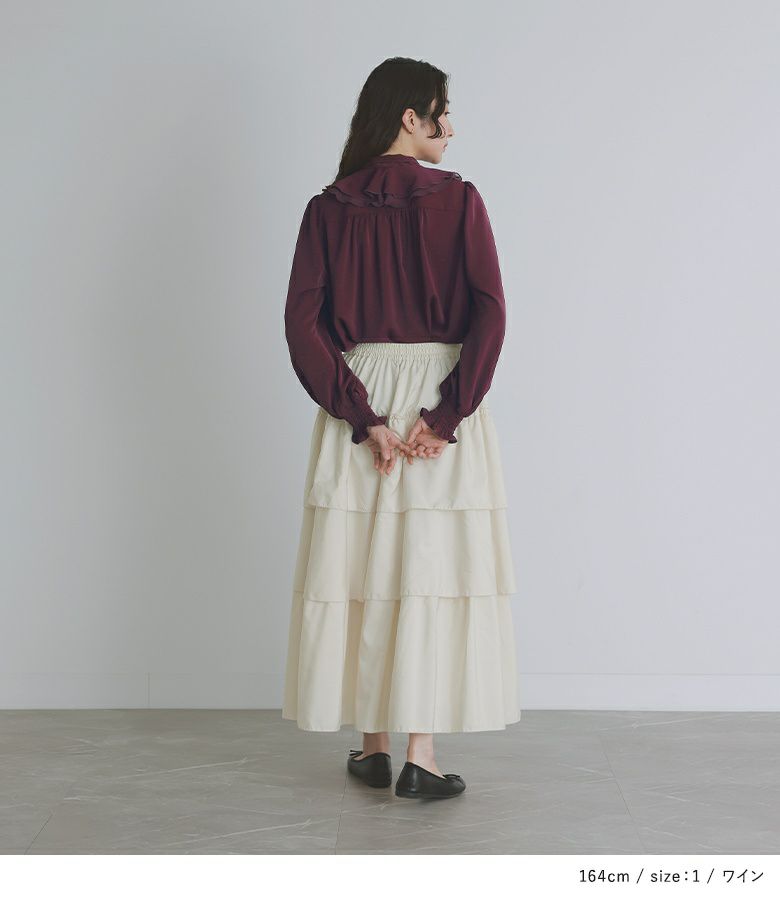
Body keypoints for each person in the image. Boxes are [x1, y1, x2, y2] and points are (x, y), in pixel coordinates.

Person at [281, 56, 520, 800]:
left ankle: (372, 745)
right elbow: (491, 312)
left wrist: (361, 416)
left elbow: (302, 324)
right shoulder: (460, 200)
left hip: (361, 388)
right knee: (429, 568)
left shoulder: (328, 208)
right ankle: (420, 753)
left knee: (361, 568)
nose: (451, 127)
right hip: (438, 388)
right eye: (442, 111)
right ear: (410, 117)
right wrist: (447, 414)